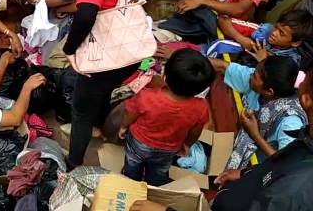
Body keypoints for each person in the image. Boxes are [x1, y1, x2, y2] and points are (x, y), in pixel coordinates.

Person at [63, 0, 142, 169]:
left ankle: (74, 163)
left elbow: (86, 14)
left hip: (103, 56)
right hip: (126, 52)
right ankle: (99, 123)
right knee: (104, 90)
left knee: (80, 111)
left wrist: (70, 48)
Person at [208, 71, 313, 210]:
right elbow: (279, 165)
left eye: (304, 80)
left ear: (306, 99)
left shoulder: (293, 192)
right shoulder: (306, 140)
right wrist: (245, 173)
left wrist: (255, 135)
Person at [119, 49, 214, 186]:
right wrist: (187, 144)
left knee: (133, 162)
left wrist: (123, 127)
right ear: (201, 90)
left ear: (164, 76)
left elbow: (130, 113)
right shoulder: (201, 107)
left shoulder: (146, 96)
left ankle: (131, 180)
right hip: (169, 148)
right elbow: (195, 131)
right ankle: (154, 185)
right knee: (159, 170)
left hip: (139, 142)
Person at [209, 56, 306, 168]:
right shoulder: (259, 80)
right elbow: (222, 67)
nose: (250, 75)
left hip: (263, 165)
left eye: (254, 76)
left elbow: (285, 164)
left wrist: (255, 135)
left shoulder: (290, 122)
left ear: (269, 91)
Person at [215, 10, 313, 66]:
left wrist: (264, 60)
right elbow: (223, 20)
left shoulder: (291, 61)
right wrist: (241, 39)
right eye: (276, 27)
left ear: (295, 43)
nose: (274, 33)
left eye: (281, 33)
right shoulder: (265, 30)